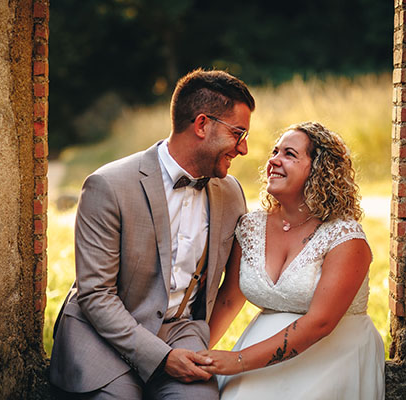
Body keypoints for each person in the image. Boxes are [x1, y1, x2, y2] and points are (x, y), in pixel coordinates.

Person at [49, 69, 256, 399]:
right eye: (238, 133)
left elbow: (233, 286)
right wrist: (162, 359)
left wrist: (198, 342)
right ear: (202, 124)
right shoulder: (109, 186)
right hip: (104, 335)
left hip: (181, 333)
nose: (243, 148)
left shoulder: (231, 193)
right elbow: (95, 295)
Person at [199, 121, 385, 399]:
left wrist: (236, 361)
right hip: (258, 355)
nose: (273, 160)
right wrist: (197, 355)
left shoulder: (345, 237)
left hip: (332, 355)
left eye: (289, 154)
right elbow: (229, 298)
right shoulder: (251, 227)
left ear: (320, 170)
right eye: (274, 152)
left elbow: (320, 323)